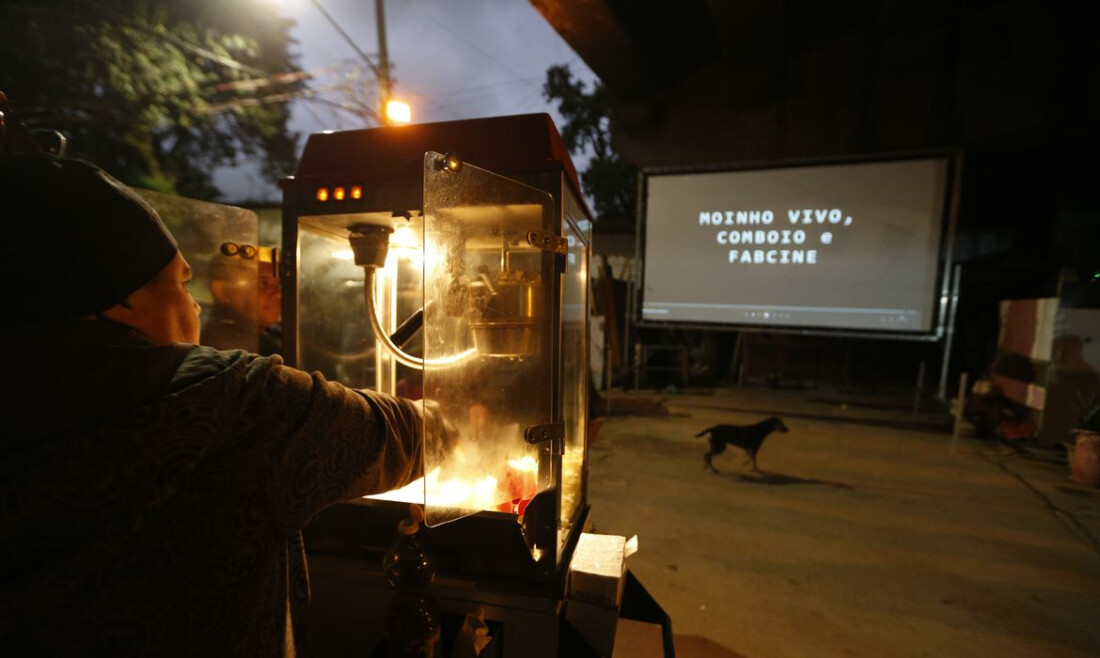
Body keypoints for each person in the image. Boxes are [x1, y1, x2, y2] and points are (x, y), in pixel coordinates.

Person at [0, 153, 438, 656]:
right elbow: (406, 436)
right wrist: (462, 416)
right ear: (122, 298)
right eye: (182, 284)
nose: (194, 306)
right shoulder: (235, 404)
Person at [202, 248, 283, 356]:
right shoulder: (230, 349)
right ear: (223, 291)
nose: (279, 293)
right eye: (263, 283)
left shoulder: (272, 333)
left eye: (280, 284)